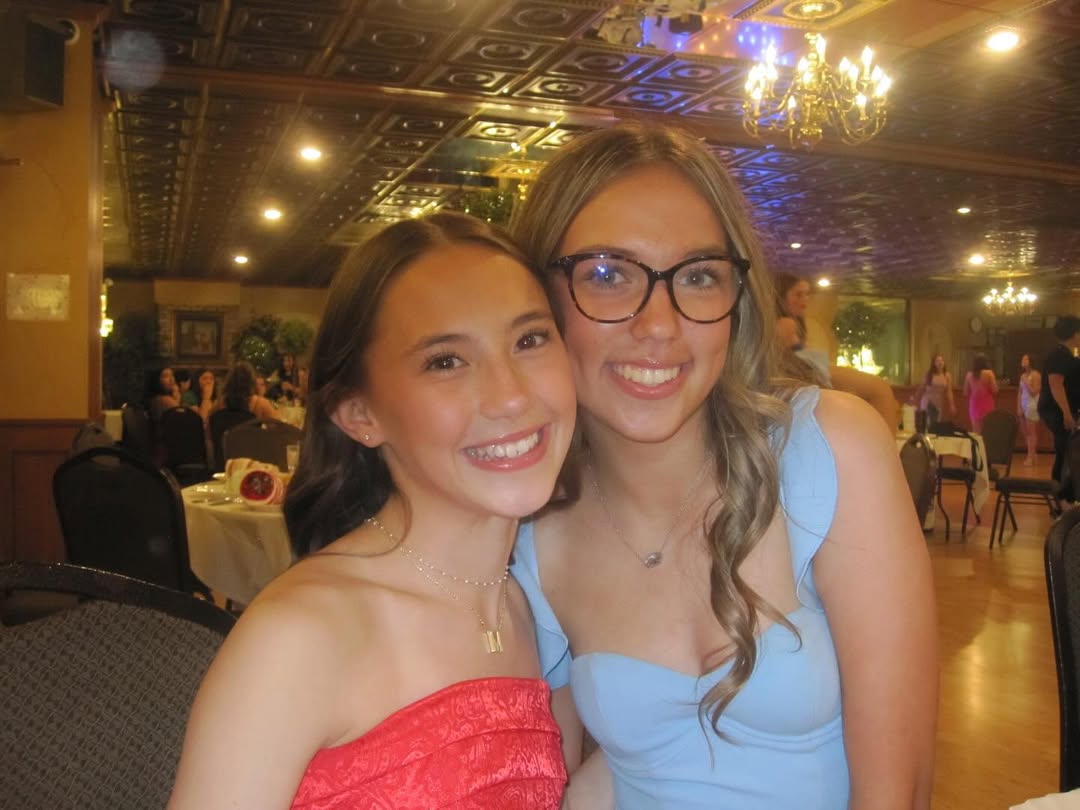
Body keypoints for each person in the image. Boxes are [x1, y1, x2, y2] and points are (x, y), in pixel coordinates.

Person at [509, 122, 937, 808]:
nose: (659, 325)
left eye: (699, 276)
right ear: (539, 297)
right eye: (608, 275)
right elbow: (566, 778)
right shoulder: (533, 534)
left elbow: (898, 792)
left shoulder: (827, 450)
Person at [169, 213, 577, 808]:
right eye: (446, 361)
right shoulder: (300, 636)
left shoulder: (532, 612)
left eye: (530, 340)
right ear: (359, 414)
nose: (512, 396)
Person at [775, 272, 899, 429]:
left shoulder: (790, 323)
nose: (804, 300)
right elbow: (785, 360)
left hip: (809, 369)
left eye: (806, 294)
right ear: (782, 297)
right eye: (798, 295)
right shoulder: (786, 324)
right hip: (804, 370)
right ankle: (885, 442)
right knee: (879, 389)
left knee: (874, 390)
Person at [1038, 315, 1080, 487]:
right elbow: (1056, 384)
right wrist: (1067, 414)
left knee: (1066, 452)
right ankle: (1061, 493)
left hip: (1061, 411)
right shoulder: (1059, 354)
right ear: (1075, 334)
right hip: (1057, 411)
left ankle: (1062, 493)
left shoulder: (1066, 355)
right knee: (1067, 451)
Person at [213, 361, 278, 422]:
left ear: (229, 381)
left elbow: (209, 426)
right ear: (251, 381)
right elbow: (278, 426)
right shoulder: (261, 404)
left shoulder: (219, 404)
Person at [911, 354, 956, 430]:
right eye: (937, 361)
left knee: (936, 425)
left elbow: (949, 391)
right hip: (928, 401)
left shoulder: (947, 375)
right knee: (927, 424)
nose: (940, 362)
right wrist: (915, 398)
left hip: (939, 403)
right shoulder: (929, 375)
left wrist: (952, 405)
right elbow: (921, 387)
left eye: (942, 360)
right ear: (934, 363)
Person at [963, 354, 998, 434]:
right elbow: (995, 390)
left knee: (976, 432)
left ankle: (977, 442)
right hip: (987, 403)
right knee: (988, 431)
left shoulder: (969, 375)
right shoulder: (989, 373)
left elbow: (965, 392)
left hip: (974, 404)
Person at [1018, 354, 1041, 466]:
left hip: (1032, 405)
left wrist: (1026, 381)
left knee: (1031, 432)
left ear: (1030, 361)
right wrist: (1018, 406)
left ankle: (1030, 457)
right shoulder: (1023, 375)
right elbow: (1020, 392)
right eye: (1022, 359)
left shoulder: (1036, 375)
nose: (1023, 360)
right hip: (1023, 404)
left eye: (1025, 359)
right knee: (1025, 431)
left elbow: (1034, 392)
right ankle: (1033, 453)